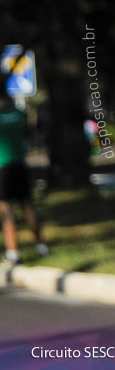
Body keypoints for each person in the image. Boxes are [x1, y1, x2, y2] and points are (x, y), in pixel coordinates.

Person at [0, 91, 47, 263]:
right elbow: (28, 131)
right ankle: (41, 246)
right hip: (20, 164)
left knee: (6, 209)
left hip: (2, 165)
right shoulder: (19, 113)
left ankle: (13, 252)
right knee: (27, 205)